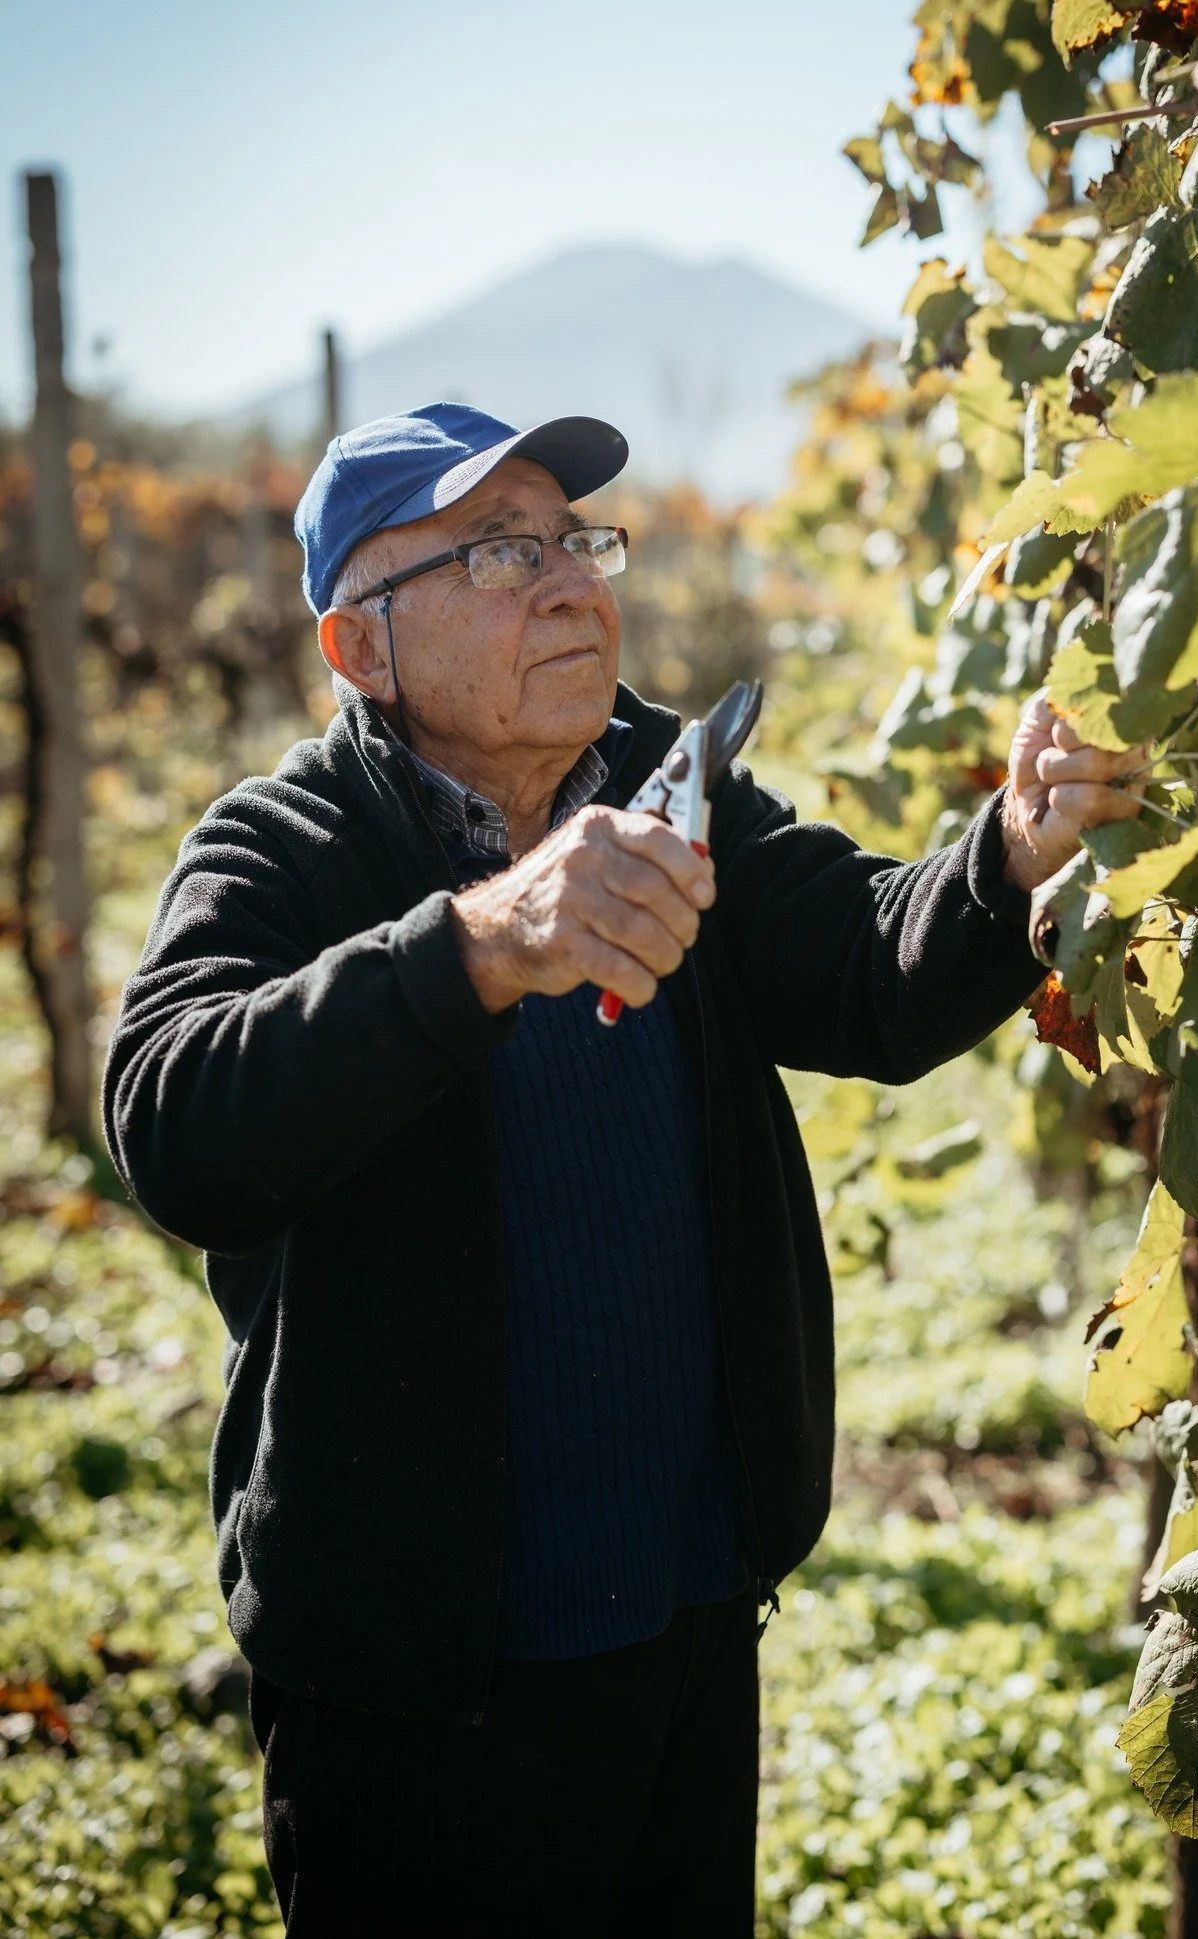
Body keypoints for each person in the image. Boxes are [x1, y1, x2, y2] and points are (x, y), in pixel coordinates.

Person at [103, 402, 1140, 1936]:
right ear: (359, 650)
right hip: (419, 1689)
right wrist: (480, 945)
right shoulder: (283, 849)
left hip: (691, 1612)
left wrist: (1008, 855)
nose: (574, 583)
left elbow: (858, 962)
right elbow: (177, 1124)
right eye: (499, 551)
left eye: (578, 540)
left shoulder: (666, 782)